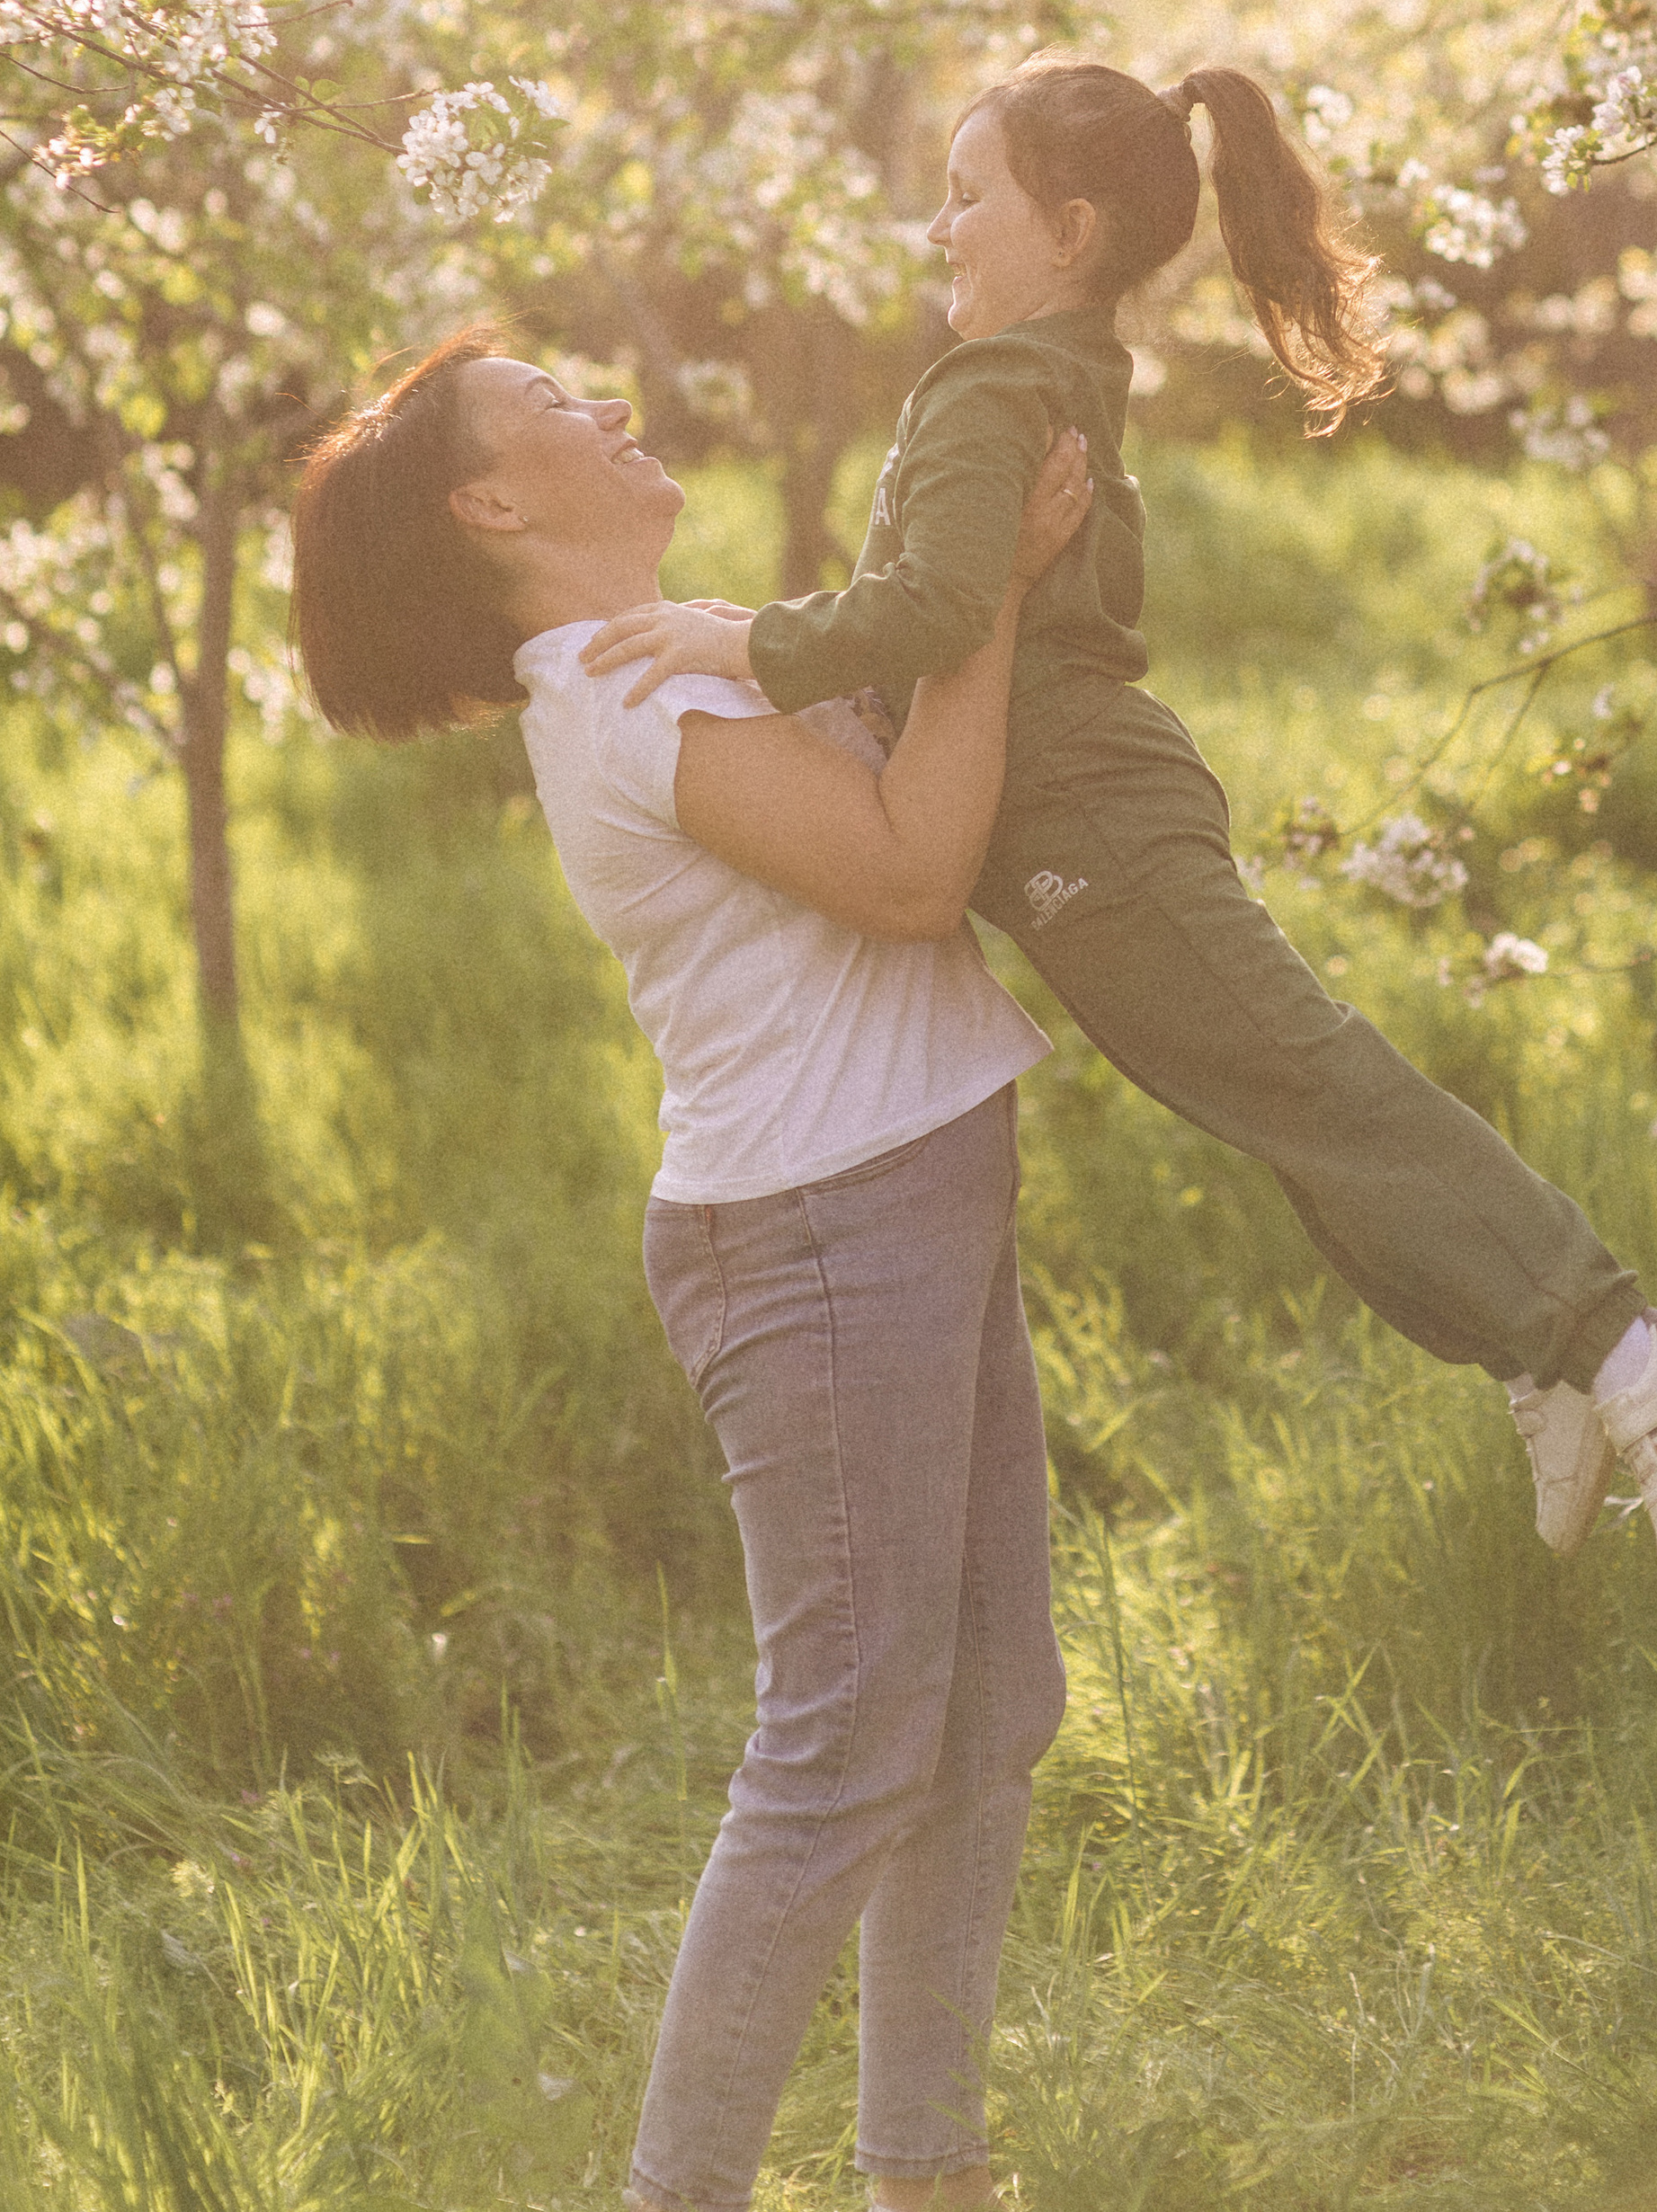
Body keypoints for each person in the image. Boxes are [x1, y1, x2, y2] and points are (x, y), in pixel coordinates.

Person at [583, 61, 1657, 1586]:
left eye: (965, 194)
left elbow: (933, 607)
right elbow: (955, 601)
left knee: (1302, 1080)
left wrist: (746, 643)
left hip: (1085, 815)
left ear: (1068, 227)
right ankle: (1531, 1346)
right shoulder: (1050, 368)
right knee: (1272, 1107)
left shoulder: (994, 387)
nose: (938, 228)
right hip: (1072, 818)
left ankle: (1623, 1337)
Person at [290, 325, 1097, 2212]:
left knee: (985, 1714)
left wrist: (953, 590)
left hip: (900, 1186)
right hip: (817, 1232)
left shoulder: (679, 654)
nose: (605, 397)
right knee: (842, 1746)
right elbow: (907, 870)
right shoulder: (625, 701)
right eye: (553, 406)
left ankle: (924, 2175)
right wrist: (979, 598)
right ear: (493, 501)